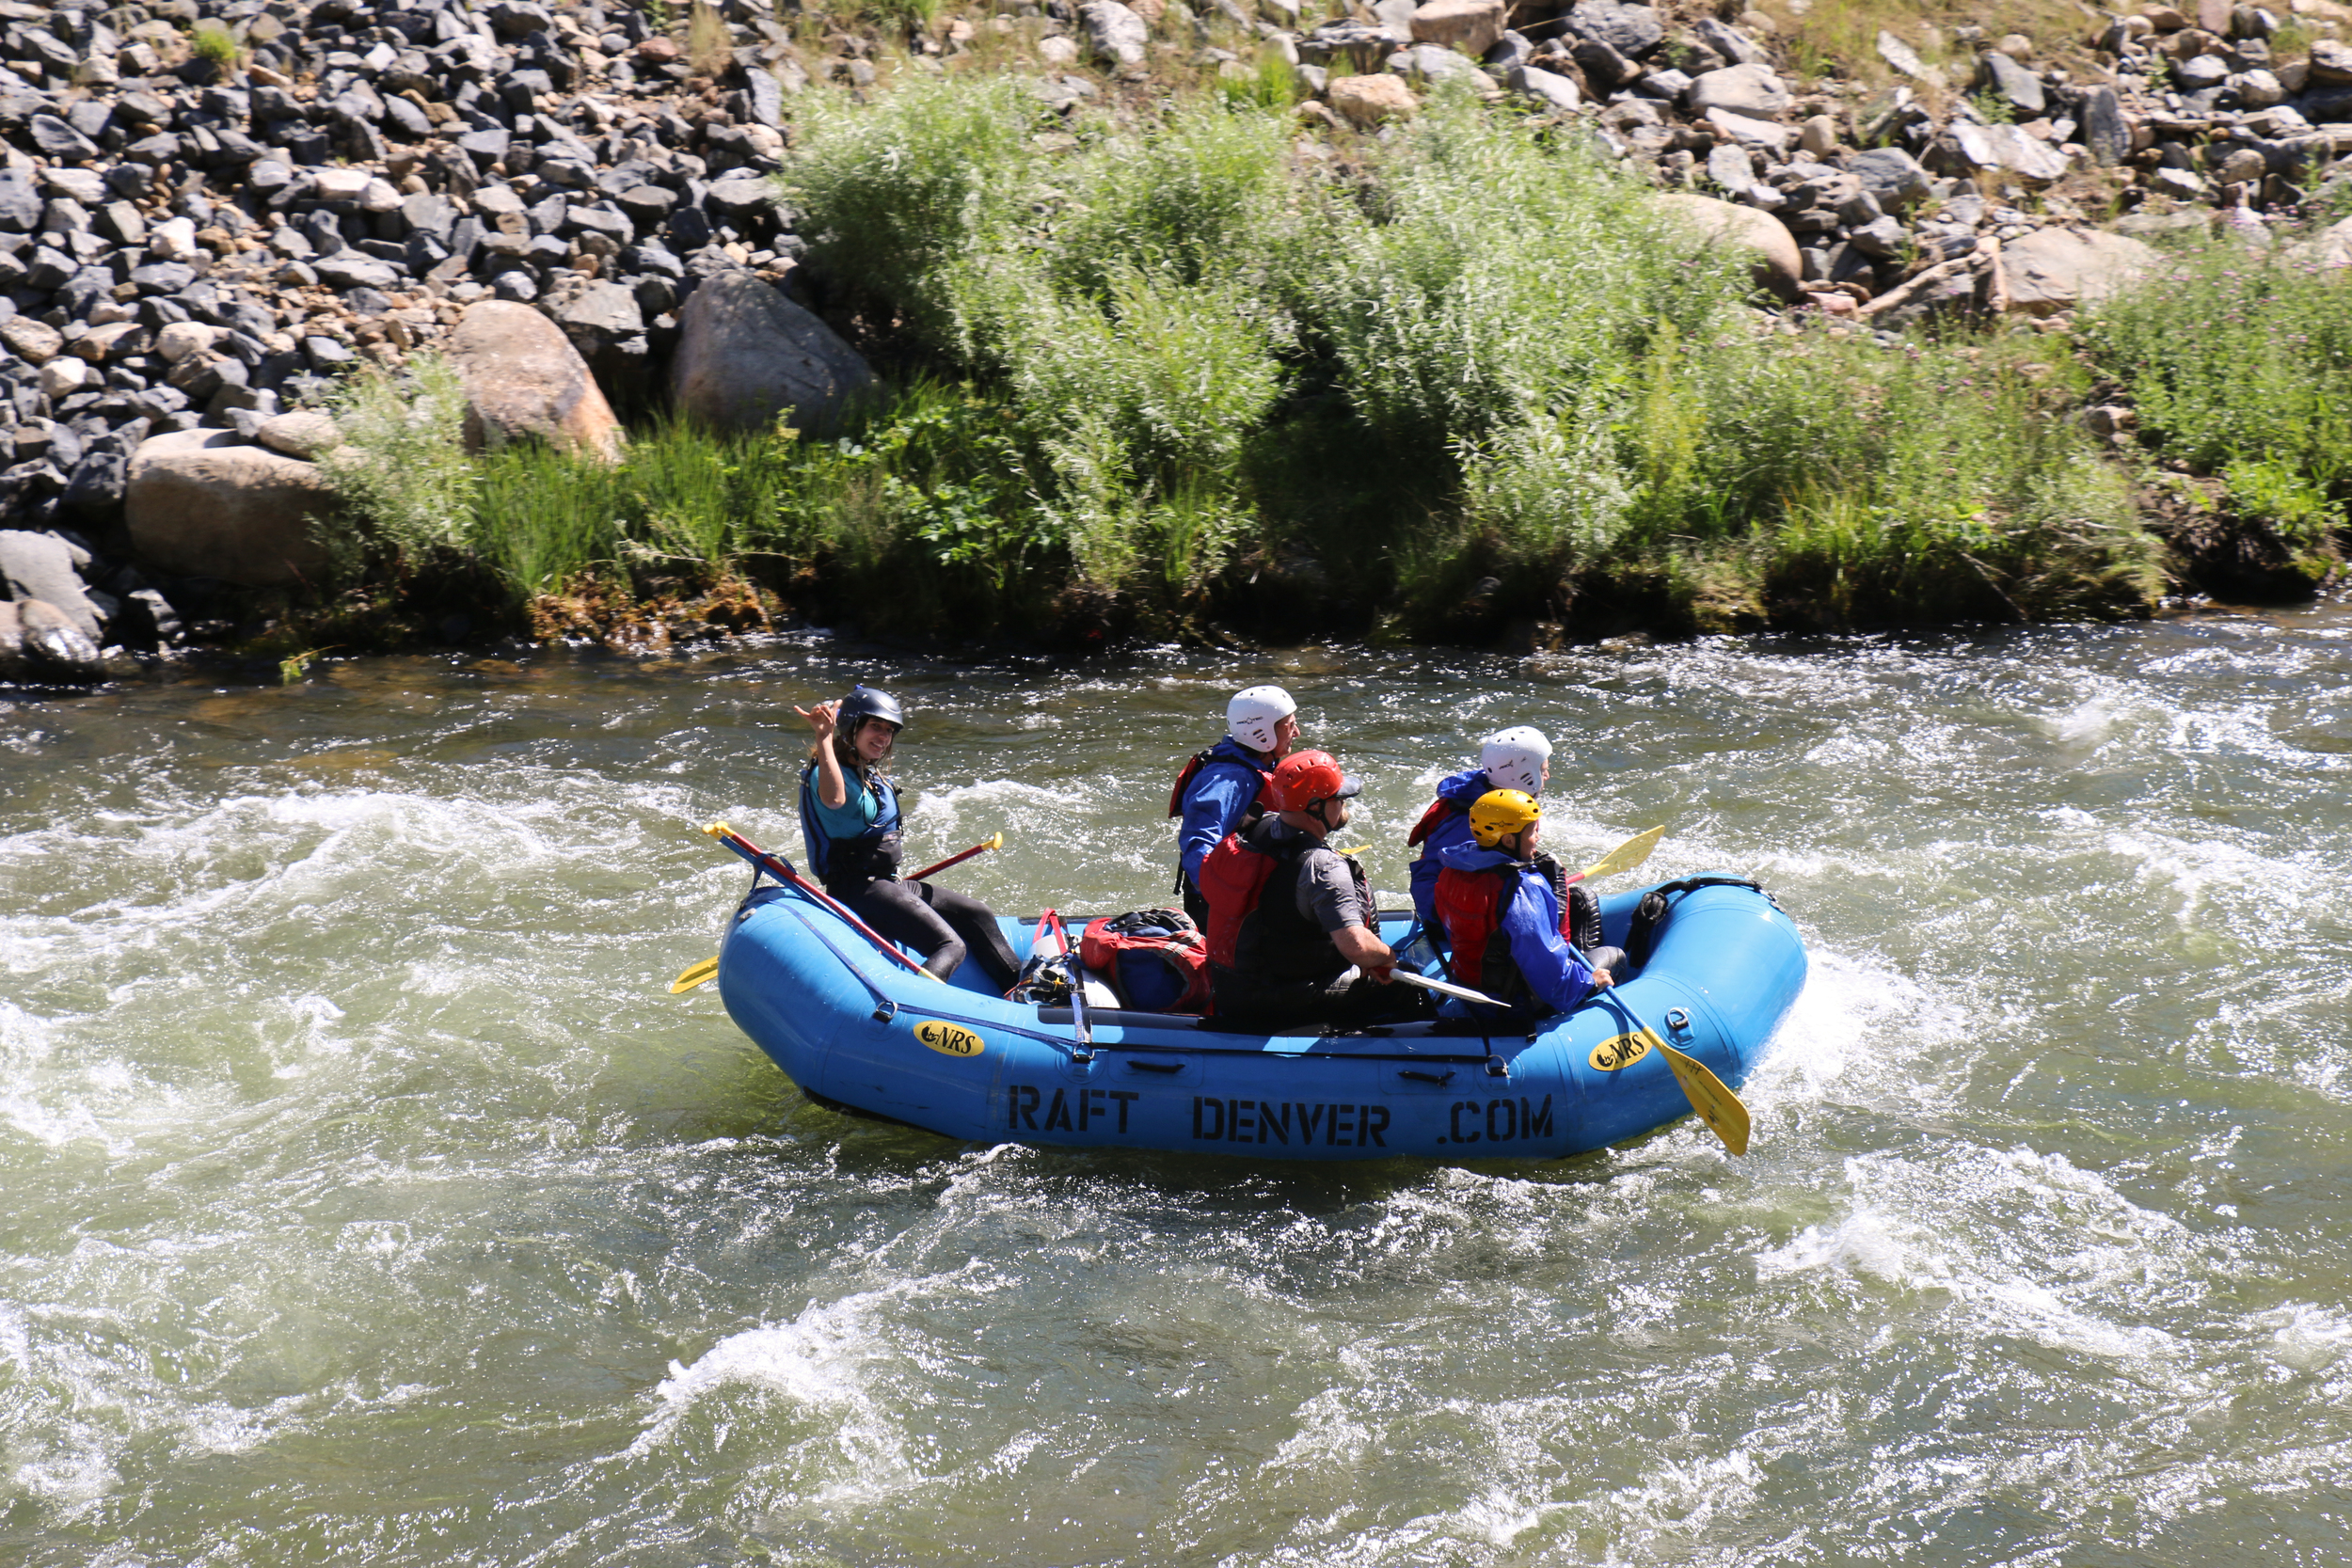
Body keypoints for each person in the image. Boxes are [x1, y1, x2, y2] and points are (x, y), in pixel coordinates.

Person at [793, 684, 1023, 991]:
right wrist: (823, 736)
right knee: (950, 947)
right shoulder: (829, 773)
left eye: (889, 730)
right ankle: (914, 1011)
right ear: (851, 728)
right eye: (875, 726)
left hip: (886, 883)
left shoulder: (864, 771)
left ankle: (1021, 992)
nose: (884, 737)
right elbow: (835, 799)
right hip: (857, 889)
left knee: (976, 913)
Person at [1199, 749, 1428, 1031]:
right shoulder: (1322, 866)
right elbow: (1355, 946)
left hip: (1231, 988)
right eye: (1340, 798)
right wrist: (1386, 959)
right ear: (1315, 807)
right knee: (1406, 982)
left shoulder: (1254, 830)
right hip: (1272, 1001)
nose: (1345, 804)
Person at [1431, 789, 1627, 1022]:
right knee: (1614, 956)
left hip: (1470, 987)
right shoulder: (1520, 888)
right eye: (1533, 831)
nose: (1538, 839)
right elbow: (1550, 978)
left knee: (1582, 901)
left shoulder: (1452, 871)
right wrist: (1589, 982)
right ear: (1509, 840)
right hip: (1514, 1004)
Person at [1168, 685, 1299, 928]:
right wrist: (1228, 900)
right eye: (1290, 725)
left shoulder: (1258, 763)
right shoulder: (1226, 779)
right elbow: (1198, 846)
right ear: (1263, 731)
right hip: (1221, 906)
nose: (1297, 732)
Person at [1406, 725, 1552, 931]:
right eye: (1543, 770)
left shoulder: (1495, 788)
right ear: (1522, 775)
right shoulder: (1473, 820)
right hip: (1447, 911)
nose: (1547, 776)